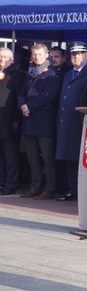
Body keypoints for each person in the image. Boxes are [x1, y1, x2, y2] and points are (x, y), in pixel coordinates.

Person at [18, 44, 61, 200]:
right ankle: (35, 186)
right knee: (32, 157)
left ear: (46, 54)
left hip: (44, 122)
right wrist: (22, 105)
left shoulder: (52, 73)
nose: (36, 57)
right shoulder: (29, 72)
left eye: (40, 54)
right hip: (29, 121)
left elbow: (48, 96)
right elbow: (21, 92)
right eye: (34, 54)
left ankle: (50, 188)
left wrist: (28, 106)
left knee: (47, 158)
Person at [54, 42, 87, 201]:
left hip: (79, 122)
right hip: (66, 121)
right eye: (73, 54)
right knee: (68, 158)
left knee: (78, 158)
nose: (76, 57)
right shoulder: (69, 73)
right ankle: (71, 189)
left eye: (79, 54)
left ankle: (77, 190)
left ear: (86, 56)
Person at [0, 48, 25, 195]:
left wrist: (16, 120)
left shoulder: (18, 75)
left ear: (12, 59)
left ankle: (11, 183)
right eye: (0, 57)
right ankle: (1, 181)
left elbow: (19, 97)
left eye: (4, 57)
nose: (2, 60)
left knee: (11, 155)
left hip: (10, 121)